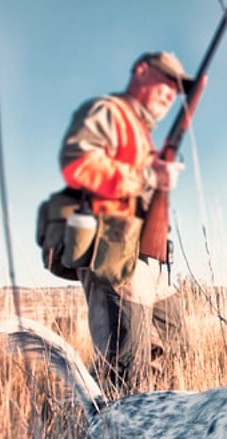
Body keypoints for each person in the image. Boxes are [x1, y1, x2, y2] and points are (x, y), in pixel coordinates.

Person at [58, 51, 193, 392]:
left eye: (176, 89)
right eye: (165, 81)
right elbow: (78, 165)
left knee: (176, 353)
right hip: (116, 255)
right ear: (141, 71)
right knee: (127, 371)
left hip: (151, 260)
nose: (170, 93)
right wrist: (148, 176)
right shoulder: (108, 112)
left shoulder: (140, 133)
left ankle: (161, 436)